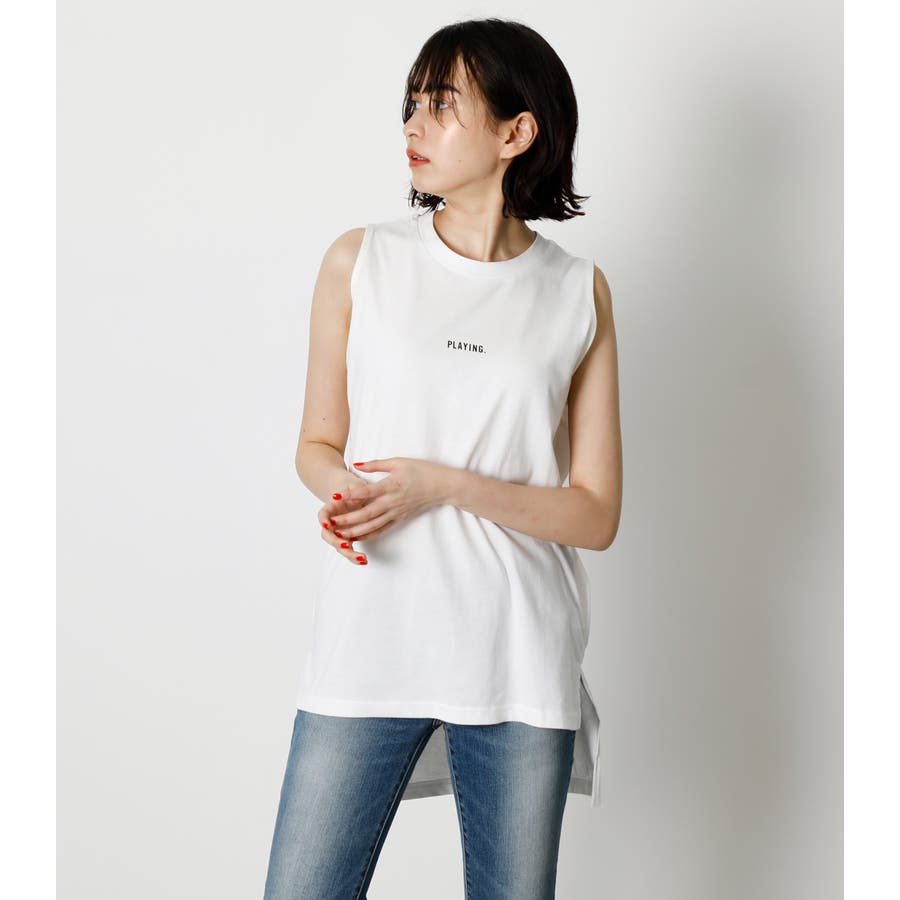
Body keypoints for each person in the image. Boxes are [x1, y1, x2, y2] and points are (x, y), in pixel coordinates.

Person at [262, 17, 622, 900]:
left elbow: (595, 514)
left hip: (518, 656)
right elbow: (317, 446)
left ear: (515, 132)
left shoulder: (576, 291)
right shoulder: (362, 261)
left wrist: (444, 486)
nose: (413, 125)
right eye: (411, 103)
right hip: (370, 640)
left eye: (442, 104)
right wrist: (344, 492)